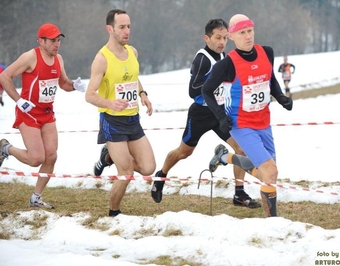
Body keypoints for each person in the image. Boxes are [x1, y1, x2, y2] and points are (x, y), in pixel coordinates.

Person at [148, 19, 260, 208]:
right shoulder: (202, 59)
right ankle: (161, 176)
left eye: (225, 38)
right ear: (207, 38)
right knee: (184, 152)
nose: (222, 42)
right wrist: (213, 85)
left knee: (241, 148)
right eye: (218, 38)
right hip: (200, 113)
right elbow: (193, 91)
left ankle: (239, 194)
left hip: (219, 113)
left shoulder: (223, 55)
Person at [201, 14, 293, 217]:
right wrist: (220, 117)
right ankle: (273, 221)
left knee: (267, 174)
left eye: (250, 31)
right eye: (242, 33)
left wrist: (280, 96)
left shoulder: (266, 52)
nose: (248, 36)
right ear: (231, 36)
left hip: (263, 122)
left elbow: (270, 77)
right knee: (270, 171)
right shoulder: (227, 64)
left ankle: (225, 157)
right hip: (241, 124)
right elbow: (206, 91)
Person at [0, 23, 86, 208]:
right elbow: (4, 76)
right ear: (41, 41)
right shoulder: (30, 57)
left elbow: (63, 83)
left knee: (51, 156)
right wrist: (18, 100)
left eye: (58, 40)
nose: (57, 44)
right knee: (36, 159)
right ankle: (6, 148)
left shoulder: (58, 59)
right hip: (28, 113)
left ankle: (36, 198)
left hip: (47, 113)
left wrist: (74, 86)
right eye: (52, 41)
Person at [85, 9, 155, 217]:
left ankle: (109, 156)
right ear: (110, 29)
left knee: (148, 167)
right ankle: (114, 212)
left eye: (129, 27)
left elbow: (133, 78)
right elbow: (89, 95)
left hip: (133, 120)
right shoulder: (102, 59)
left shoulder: (132, 52)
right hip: (112, 121)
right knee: (126, 173)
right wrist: (110, 103)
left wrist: (143, 94)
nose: (127, 31)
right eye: (122, 27)